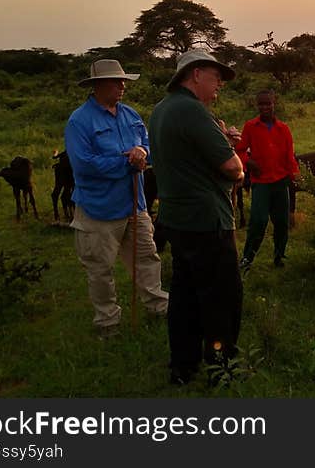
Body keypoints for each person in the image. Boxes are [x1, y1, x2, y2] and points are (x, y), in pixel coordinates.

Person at [148, 48, 244, 385]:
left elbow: (187, 159)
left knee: (185, 295)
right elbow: (233, 168)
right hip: (208, 221)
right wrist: (232, 151)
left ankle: (182, 366)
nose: (219, 82)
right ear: (195, 74)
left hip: (176, 218)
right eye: (215, 74)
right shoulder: (193, 111)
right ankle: (221, 366)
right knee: (221, 298)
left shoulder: (161, 110)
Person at [66, 59, 168, 339]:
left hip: (135, 204)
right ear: (97, 86)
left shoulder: (131, 115)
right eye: (115, 81)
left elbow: (148, 146)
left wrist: (142, 153)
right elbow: (84, 164)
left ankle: (158, 307)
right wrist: (126, 163)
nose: (122, 86)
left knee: (147, 258)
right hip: (98, 209)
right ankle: (107, 322)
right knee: (100, 269)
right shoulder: (79, 121)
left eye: (123, 81)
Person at [235, 90, 300, 271]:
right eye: (261, 104)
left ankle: (279, 256)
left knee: (281, 222)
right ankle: (247, 258)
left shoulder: (283, 129)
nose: (264, 107)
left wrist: (294, 175)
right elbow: (240, 150)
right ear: (257, 106)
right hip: (261, 182)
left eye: (268, 103)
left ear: (274, 104)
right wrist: (248, 162)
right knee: (258, 220)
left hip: (280, 182)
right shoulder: (251, 126)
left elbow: (289, 156)